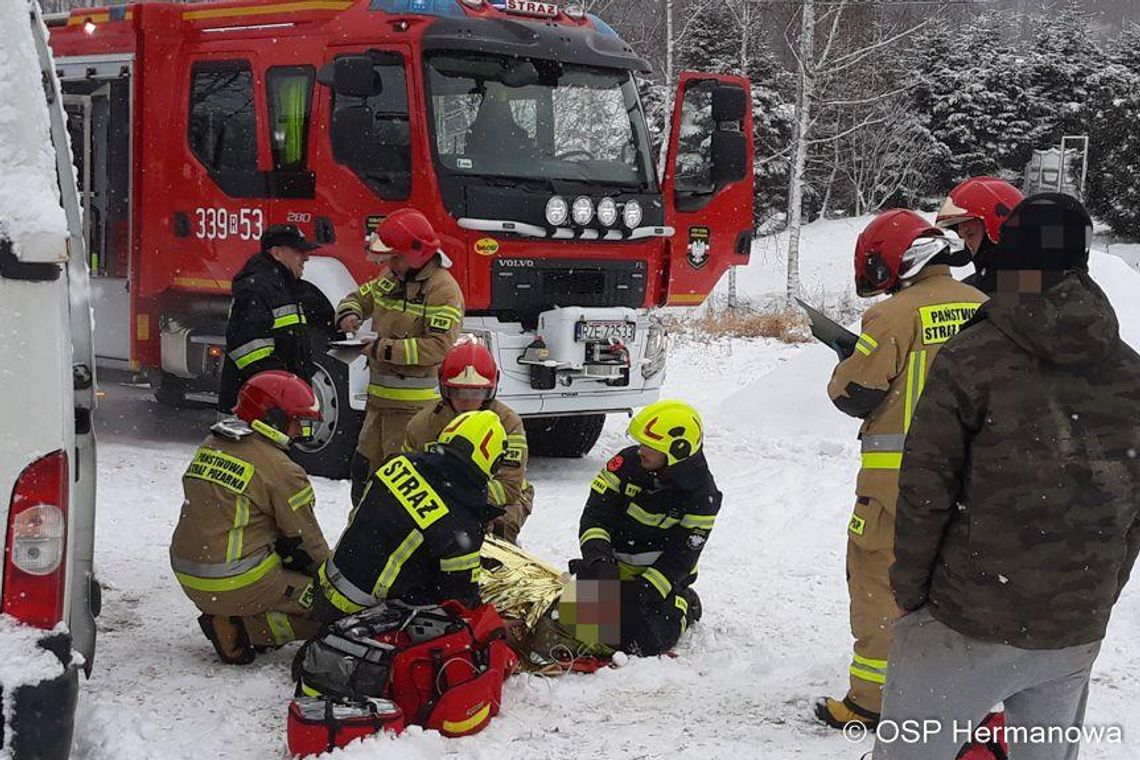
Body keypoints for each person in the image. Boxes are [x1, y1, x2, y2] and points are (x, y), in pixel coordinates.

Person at [876, 194, 1140, 759]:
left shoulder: (972, 358)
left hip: (965, 618)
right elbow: (1132, 510)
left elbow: (927, 488)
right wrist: (1096, 596)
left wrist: (907, 591)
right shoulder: (1129, 371)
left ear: (1011, 255)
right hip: (1073, 628)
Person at [816, 210, 986, 730]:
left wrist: (848, 357)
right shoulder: (985, 306)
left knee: (878, 578)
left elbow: (853, 393)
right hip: (976, 478)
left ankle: (871, 699)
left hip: (900, 481)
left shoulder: (894, 314)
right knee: (961, 581)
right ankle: (965, 694)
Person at [172, 370, 330, 665]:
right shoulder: (283, 470)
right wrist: (335, 580)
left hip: (190, 573)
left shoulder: (212, 443)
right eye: (297, 422)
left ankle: (232, 611)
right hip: (235, 579)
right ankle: (245, 628)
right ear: (274, 418)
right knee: (329, 609)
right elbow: (308, 541)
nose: (298, 432)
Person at [314, 410, 507, 621]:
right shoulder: (461, 523)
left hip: (327, 581)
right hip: (360, 612)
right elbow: (460, 598)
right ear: (493, 462)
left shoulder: (399, 462)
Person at [335, 209, 464, 505]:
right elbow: (359, 298)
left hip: (413, 415)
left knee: (397, 493)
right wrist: (349, 314)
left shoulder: (443, 290)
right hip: (377, 409)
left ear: (419, 253)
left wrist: (383, 348)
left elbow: (438, 346)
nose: (389, 264)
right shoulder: (391, 275)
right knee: (363, 478)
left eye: (396, 257)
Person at [574, 399, 720, 657]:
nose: (640, 450)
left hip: (660, 579)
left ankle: (685, 604)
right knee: (580, 632)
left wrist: (644, 592)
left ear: (677, 451)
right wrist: (599, 562)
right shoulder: (625, 465)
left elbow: (681, 559)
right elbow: (595, 518)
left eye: (650, 446)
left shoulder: (703, 495)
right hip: (613, 569)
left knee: (641, 644)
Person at [403, 341, 533, 543]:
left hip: (503, 496)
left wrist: (463, 504)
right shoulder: (421, 426)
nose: (468, 402)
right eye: (459, 392)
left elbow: (508, 487)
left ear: (490, 390)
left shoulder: (508, 423)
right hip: (440, 496)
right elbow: (406, 478)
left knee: (499, 523)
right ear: (445, 389)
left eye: (476, 393)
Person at [218, 224, 320, 415]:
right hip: (259, 411)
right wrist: (282, 390)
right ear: (277, 252)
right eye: (299, 251)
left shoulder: (284, 285)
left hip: (273, 410)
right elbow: (250, 353)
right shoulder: (257, 288)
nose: (306, 257)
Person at [935, 176, 1024, 293]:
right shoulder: (969, 292)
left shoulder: (1033, 294)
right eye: (961, 237)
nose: (966, 244)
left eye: (970, 234)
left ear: (1000, 233)